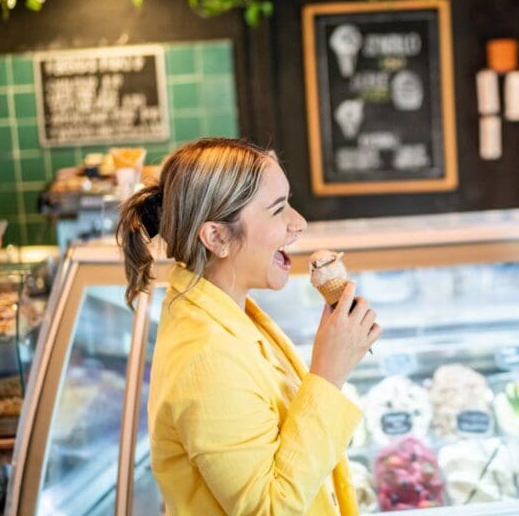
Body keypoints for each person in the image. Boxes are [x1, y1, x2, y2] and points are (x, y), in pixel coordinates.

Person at [118, 138, 380, 515]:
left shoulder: (223, 313)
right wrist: (328, 374)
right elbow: (269, 509)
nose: (299, 222)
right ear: (217, 237)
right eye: (278, 210)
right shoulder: (207, 361)